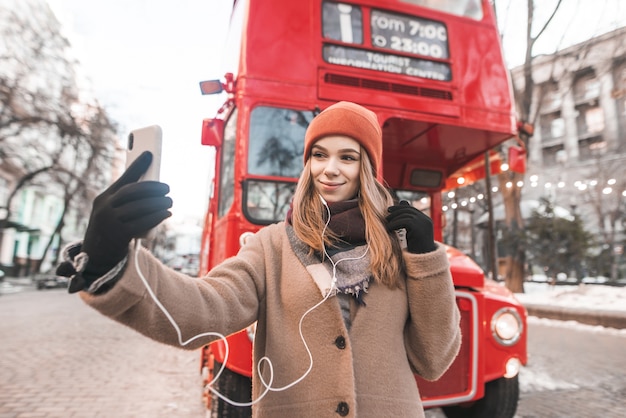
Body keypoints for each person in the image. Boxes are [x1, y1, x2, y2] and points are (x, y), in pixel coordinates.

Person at [57, 101, 461, 418]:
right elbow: (205, 308)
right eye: (319, 155)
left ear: (368, 168)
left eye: (348, 157)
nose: (330, 169)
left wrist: (426, 258)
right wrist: (109, 261)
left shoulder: (401, 250)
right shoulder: (270, 246)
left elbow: (433, 359)